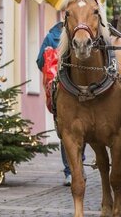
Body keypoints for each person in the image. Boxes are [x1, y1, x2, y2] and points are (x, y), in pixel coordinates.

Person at [37, 21, 86, 186]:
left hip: (60, 90)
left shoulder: (51, 36)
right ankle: (79, 164)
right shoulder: (81, 34)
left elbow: (39, 62)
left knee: (66, 131)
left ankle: (71, 171)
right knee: (83, 128)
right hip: (81, 88)